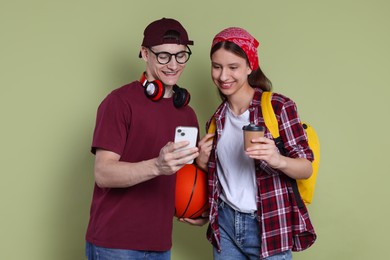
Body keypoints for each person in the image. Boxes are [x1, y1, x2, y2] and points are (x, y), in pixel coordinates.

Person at [185, 27, 317, 259]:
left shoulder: (278, 108)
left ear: (249, 67)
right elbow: (227, 179)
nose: (223, 76)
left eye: (233, 67)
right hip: (224, 225)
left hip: (269, 224)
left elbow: (305, 168)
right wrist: (204, 163)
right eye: (217, 66)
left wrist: (278, 159)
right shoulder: (216, 120)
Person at [85, 18, 201, 260]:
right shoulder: (119, 103)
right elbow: (103, 173)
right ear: (145, 53)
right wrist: (157, 166)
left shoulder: (187, 114)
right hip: (115, 245)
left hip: (160, 245)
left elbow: (185, 178)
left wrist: (199, 206)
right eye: (163, 56)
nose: (173, 65)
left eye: (181, 55)